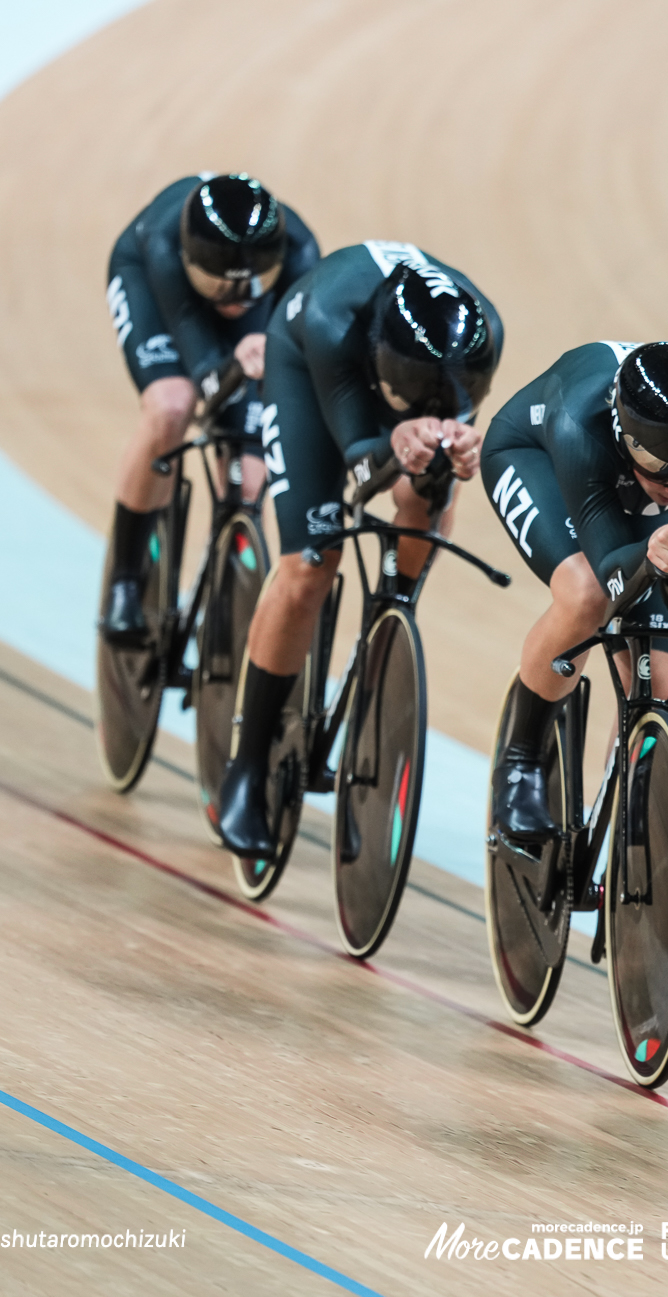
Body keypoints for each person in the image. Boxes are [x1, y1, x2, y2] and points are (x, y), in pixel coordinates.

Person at [216, 241, 504, 856]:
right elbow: (360, 461)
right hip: (312, 371)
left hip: (399, 378)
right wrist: (393, 438)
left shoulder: (482, 335)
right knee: (311, 564)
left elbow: (444, 446)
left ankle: (394, 609)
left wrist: (455, 448)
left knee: (431, 486)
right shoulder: (329, 320)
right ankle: (245, 769)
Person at [480, 341, 668, 843]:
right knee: (586, 595)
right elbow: (611, 573)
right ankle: (520, 763)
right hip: (537, 457)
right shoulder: (581, 426)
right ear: (625, 434)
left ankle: (626, 823)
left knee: (660, 681)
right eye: (659, 464)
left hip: (629, 484)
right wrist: (653, 551)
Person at [100, 173, 320, 644]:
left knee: (251, 473)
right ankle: (124, 580)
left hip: (254, 315)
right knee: (172, 407)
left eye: (248, 286)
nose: (234, 301)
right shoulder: (163, 244)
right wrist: (223, 372)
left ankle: (227, 587)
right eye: (221, 287)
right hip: (158, 292)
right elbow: (204, 370)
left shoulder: (299, 252)